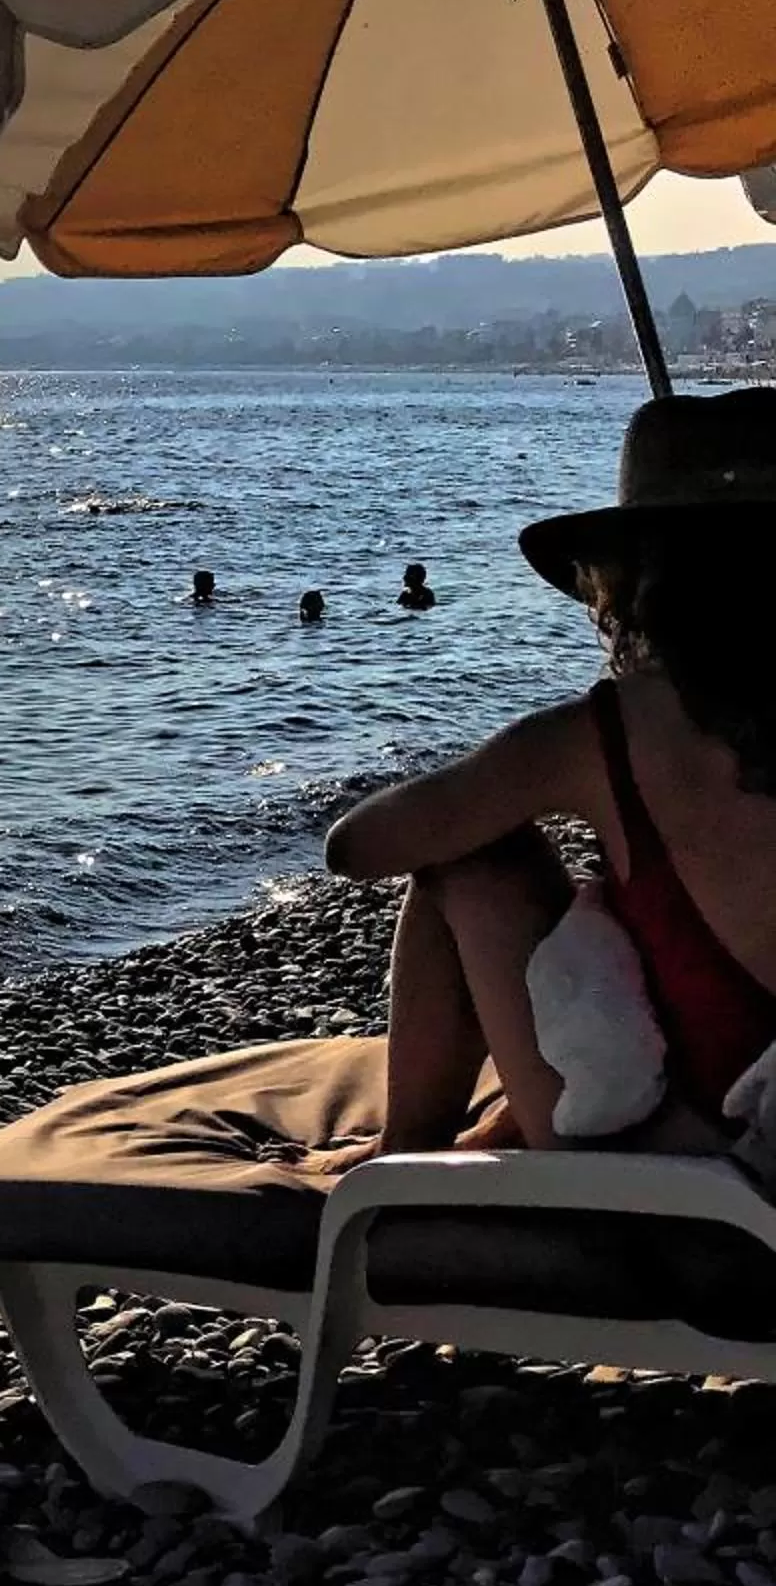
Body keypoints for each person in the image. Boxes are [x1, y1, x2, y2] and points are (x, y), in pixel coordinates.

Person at [321, 388, 776, 1159]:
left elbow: (356, 848)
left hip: (679, 1174)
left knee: (471, 855)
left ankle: (405, 1150)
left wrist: (511, 795)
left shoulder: (609, 730)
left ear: (634, 577)